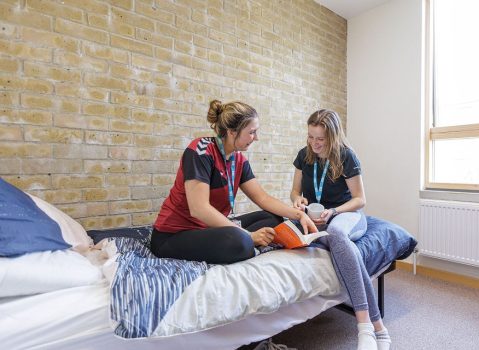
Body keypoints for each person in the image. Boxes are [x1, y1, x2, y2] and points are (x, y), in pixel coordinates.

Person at [151, 100, 317, 264]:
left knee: (273, 218)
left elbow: (263, 199)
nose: (256, 138)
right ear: (231, 131)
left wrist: (299, 214)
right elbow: (199, 209)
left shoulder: (239, 160)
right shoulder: (200, 151)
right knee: (242, 243)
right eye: (252, 132)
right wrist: (248, 235)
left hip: (209, 229)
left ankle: (241, 238)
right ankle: (243, 240)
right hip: (174, 235)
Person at [290, 109, 391, 350]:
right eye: (310, 136)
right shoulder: (304, 156)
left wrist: (334, 212)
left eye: (320, 139)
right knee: (293, 228)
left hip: (347, 214)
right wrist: (297, 201)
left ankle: (365, 326)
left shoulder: (347, 156)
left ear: (332, 137)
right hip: (317, 217)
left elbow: (360, 199)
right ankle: (380, 330)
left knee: (335, 234)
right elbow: (295, 192)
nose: (314, 143)